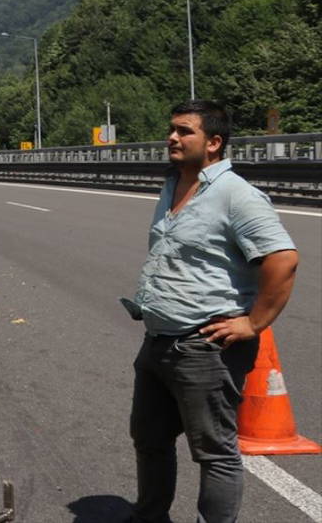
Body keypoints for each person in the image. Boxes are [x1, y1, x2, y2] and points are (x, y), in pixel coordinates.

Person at [127, 99, 297, 523]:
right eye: (172, 129)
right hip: (159, 341)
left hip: (205, 346)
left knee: (215, 452)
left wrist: (254, 322)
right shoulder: (174, 183)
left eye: (185, 131)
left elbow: (283, 259)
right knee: (149, 441)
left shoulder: (236, 195)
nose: (172, 137)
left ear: (215, 142)